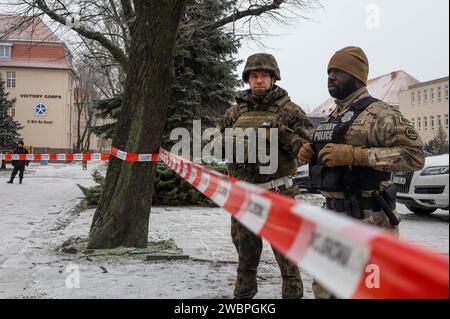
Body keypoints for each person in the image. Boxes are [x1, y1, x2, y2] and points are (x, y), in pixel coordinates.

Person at [297, 46, 425, 299]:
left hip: (369, 219)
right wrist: (311, 152)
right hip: (332, 218)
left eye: (338, 72)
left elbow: (415, 156)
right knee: (325, 289)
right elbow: (331, 153)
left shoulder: (381, 113)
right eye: (329, 72)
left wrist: (357, 155)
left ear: (356, 76)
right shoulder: (333, 116)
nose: (330, 76)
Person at [218, 53, 315, 299]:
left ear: (273, 78)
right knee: (245, 254)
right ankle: (243, 296)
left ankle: (292, 295)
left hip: (279, 193)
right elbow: (220, 145)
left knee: (287, 254)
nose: (258, 81)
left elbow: (311, 147)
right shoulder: (234, 112)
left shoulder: (290, 110)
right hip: (245, 194)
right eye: (254, 76)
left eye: (263, 76)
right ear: (248, 79)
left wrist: (284, 137)